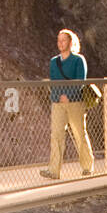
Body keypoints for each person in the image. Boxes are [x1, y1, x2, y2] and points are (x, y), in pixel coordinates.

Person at [39, 28, 94, 180]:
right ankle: (53, 170)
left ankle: (87, 166)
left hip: (75, 102)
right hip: (58, 103)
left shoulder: (78, 60)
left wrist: (69, 96)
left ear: (71, 42)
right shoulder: (54, 62)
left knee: (79, 133)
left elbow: (80, 81)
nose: (60, 43)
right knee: (56, 135)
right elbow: (54, 82)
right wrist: (58, 97)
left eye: (64, 40)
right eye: (59, 40)